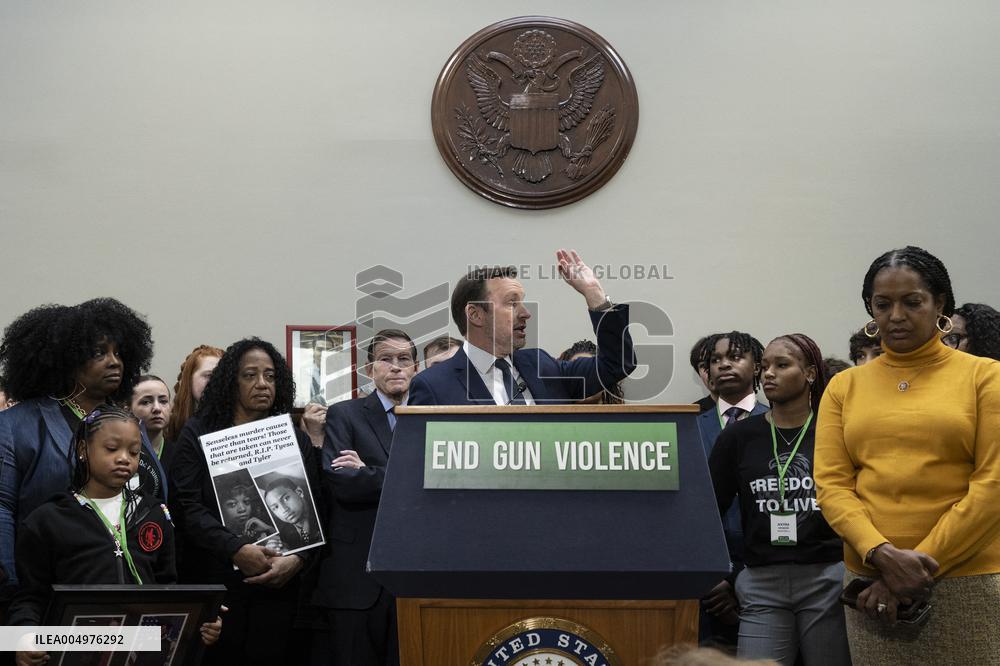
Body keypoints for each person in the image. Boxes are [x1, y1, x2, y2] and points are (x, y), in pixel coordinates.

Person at [815, 246, 1000, 664]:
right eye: (883, 304)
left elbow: (993, 485)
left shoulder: (986, 376)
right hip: (870, 583)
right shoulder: (845, 387)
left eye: (911, 302)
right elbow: (831, 485)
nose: (896, 315)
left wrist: (915, 568)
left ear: (940, 306)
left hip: (964, 580)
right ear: (871, 310)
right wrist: (880, 554)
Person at [8, 406, 221, 666]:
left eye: (134, 452)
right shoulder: (47, 520)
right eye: (112, 449)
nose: (124, 459)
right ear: (83, 450)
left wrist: (199, 620)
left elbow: (168, 588)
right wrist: (22, 639)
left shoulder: (153, 513)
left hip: (142, 649)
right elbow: (29, 596)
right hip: (75, 648)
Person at [171, 338, 318, 666]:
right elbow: (186, 507)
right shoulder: (198, 433)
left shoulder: (292, 436)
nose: (262, 384)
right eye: (250, 375)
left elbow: (317, 508)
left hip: (281, 583)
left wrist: (299, 561)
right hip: (218, 584)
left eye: (270, 376)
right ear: (229, 382)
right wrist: (236, 548)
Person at [0, 298, 163, 594]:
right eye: (99, 353)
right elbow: (2, 509)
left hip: (136, 587)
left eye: (118, 352)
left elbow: (156, 500)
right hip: (52, 590)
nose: (114, 361)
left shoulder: (130, 423)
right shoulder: (15, 425)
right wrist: (10, 587)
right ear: (67, 359)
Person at [709, 335, 849, 665]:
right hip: (761, 581)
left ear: (811, 373)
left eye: (782, 365)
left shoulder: (836, 431)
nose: (768, 374)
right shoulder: (739, 437)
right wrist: (720, 573)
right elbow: (708, 511)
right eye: (765, 366)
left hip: (827, 577)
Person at [408, 250, 636, 405]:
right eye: (511, 303)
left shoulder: (542, 365)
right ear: (476, 314)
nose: (526, 313)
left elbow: (617, 364)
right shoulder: (433, 386)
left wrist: (594, 294)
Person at [314, 329, 418, 666]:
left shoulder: (429, 416)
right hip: (356, 577)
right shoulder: (346, 414)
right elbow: (344, 482)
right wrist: (408, 479)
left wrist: (369, 470)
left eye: (404, 360)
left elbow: (441, 482)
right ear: (370, 369)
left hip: (414, 574)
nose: (396, 367)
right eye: (386, 359)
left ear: (416, 368)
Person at [694, 331, 767, 649]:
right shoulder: (688, 425)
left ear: (758, 367)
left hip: (767, 572)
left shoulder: (779, 421)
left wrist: (740, 578)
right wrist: (714, 576)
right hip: (708, 578)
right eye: (715, 360)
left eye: (735, 357)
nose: (723, 364)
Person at [165, 345, 223, 442]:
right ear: (189, 380)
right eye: (209, 375)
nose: (216, 382)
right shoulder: (165, 425)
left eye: (221, 376)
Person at [130, 375, 175, 473]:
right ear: (128, 409)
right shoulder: (123, 454)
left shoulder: (179, 454)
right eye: (146, 402)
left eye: (163, 401)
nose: (157, 408)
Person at [263, 476, 321, 551]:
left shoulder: (322, 512)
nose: (284, 509)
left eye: (286, 498)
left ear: (299, 492)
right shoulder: (284, 534)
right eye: (276, 507)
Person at [558, 340, 624, 403]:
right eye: (578, 372)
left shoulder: (624, 414)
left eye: (590, 373)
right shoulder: (551, 413)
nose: (584, 381)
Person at [690, 335, 718, 413]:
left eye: (715, 361)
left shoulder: (754, 410)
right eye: (703, 365)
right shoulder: (691, 415)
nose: (711, 370)